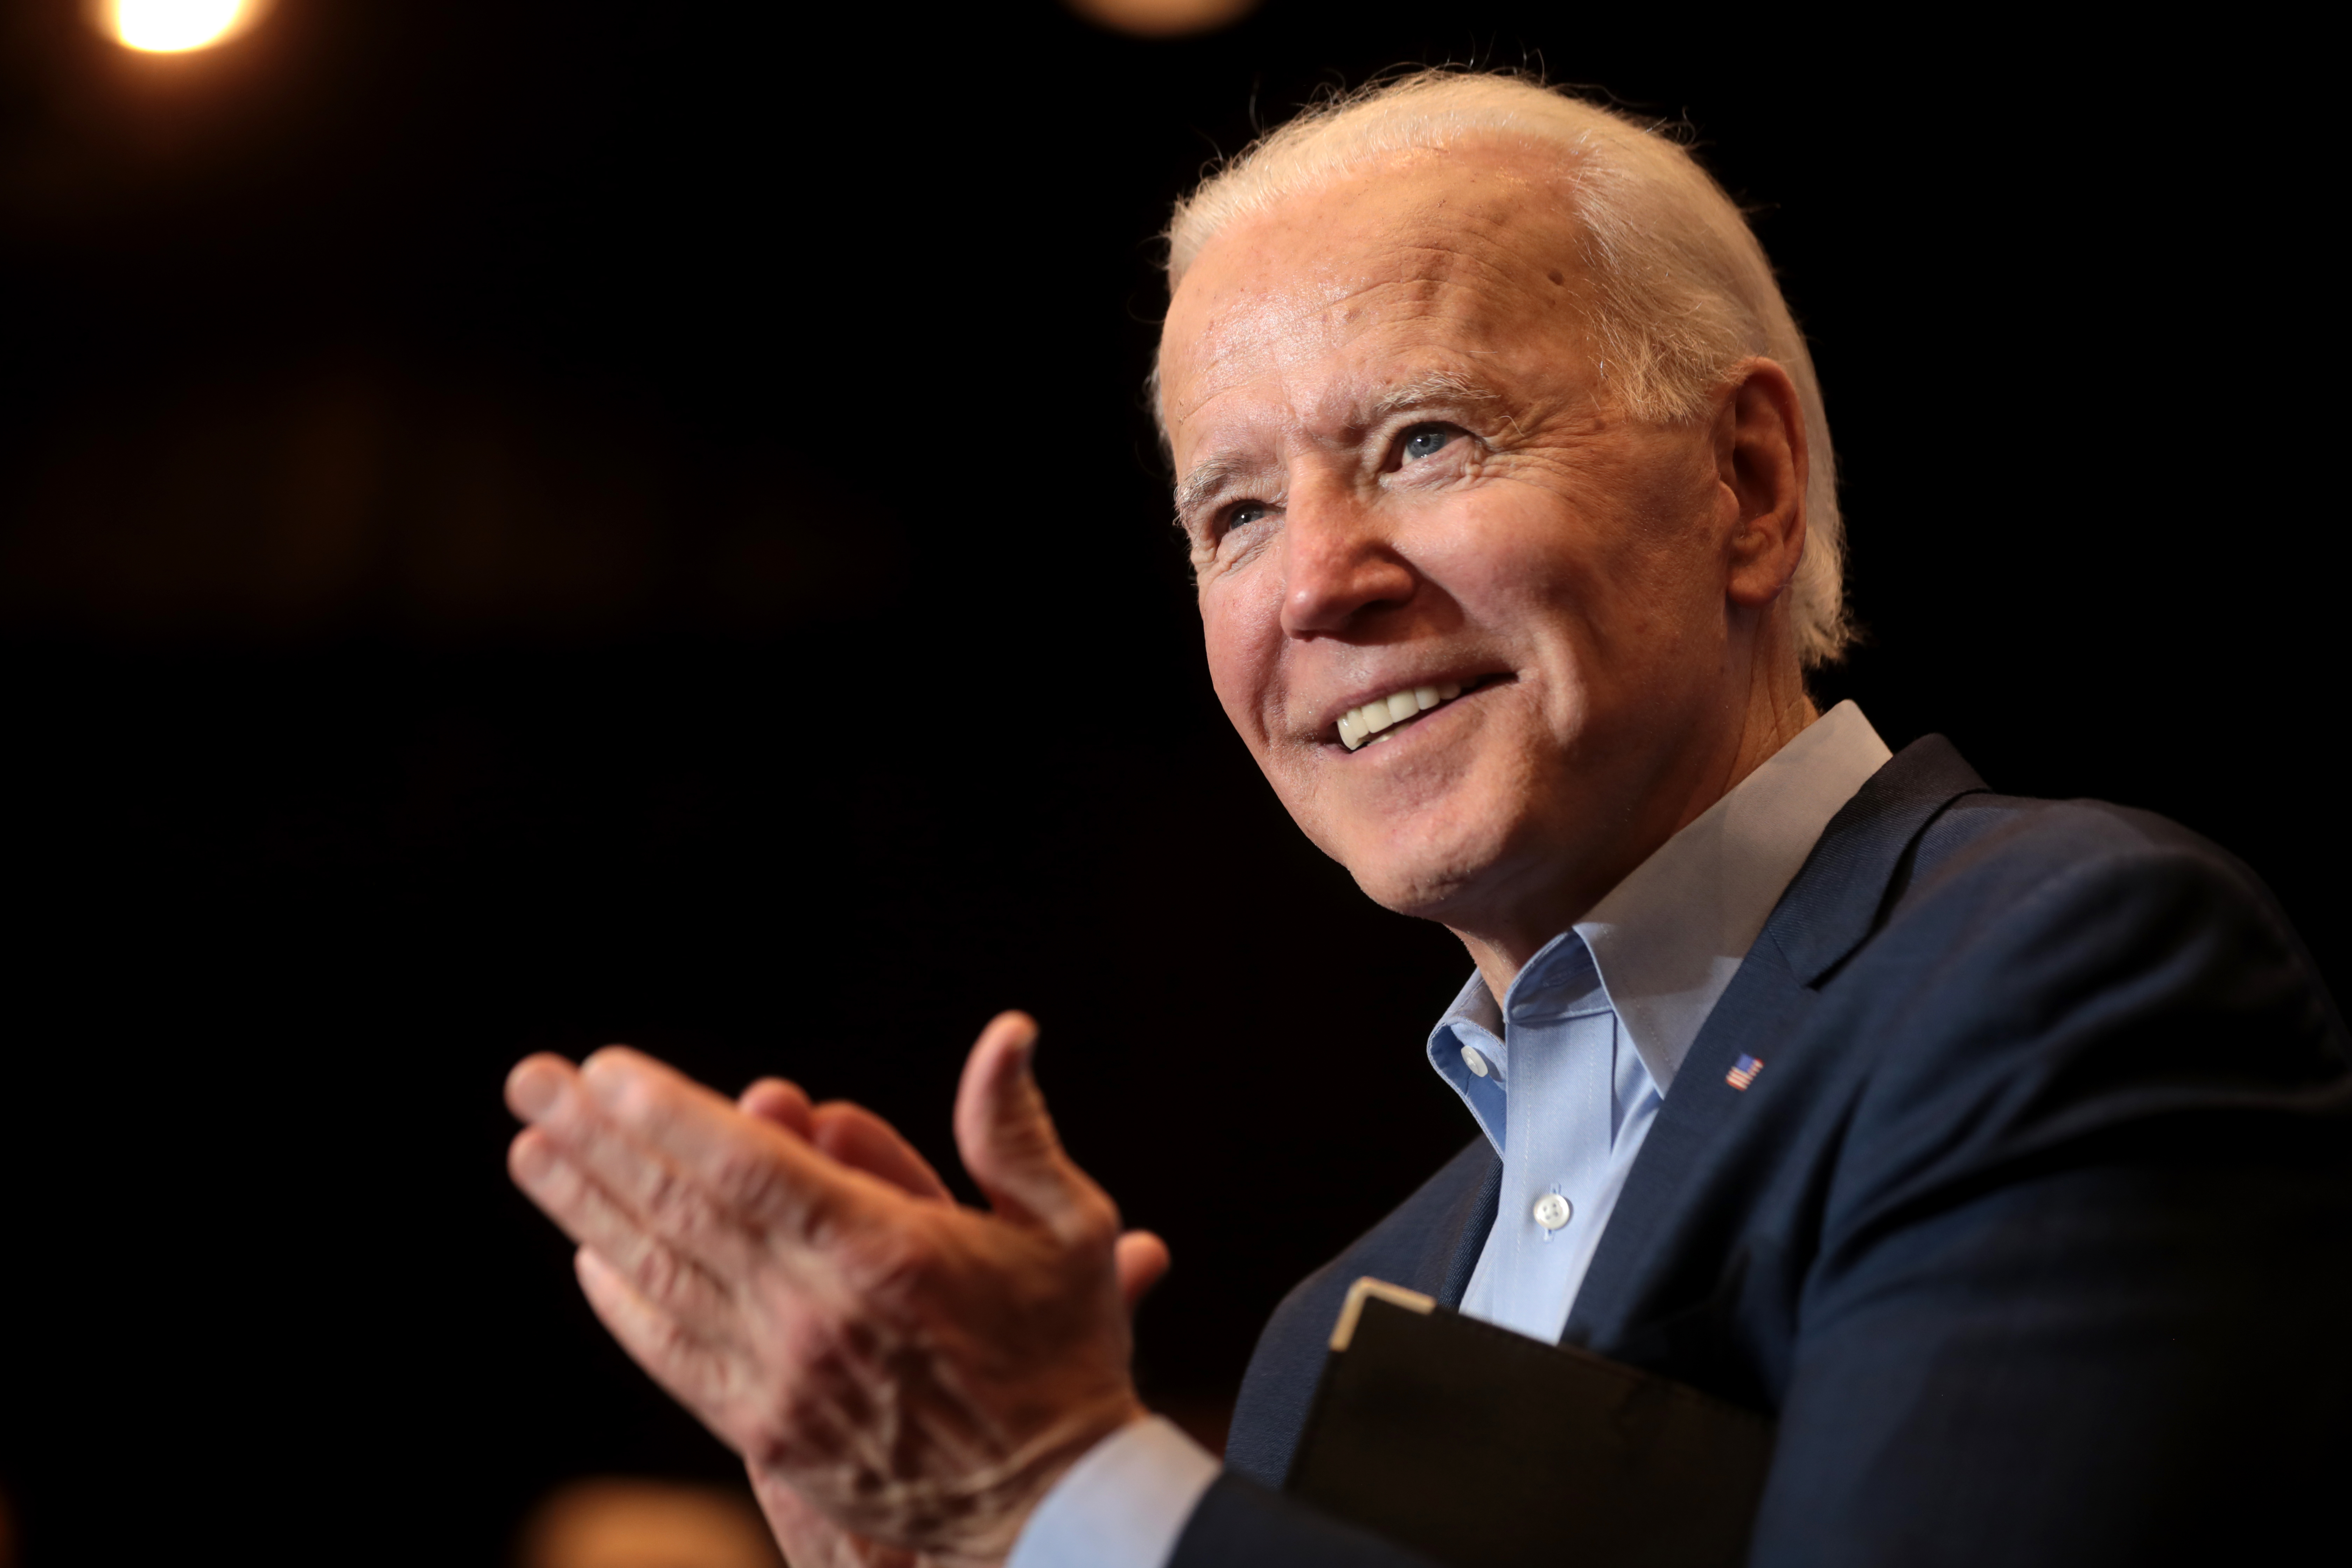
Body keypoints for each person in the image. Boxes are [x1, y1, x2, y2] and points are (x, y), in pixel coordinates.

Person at [502, 71, 2352, 1567]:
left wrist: (1064, 1487)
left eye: (1426, 444)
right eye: (1232, 513)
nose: (1317, 584)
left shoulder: (2053, 973)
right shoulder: (1348, 1314)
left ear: (1747, 481)